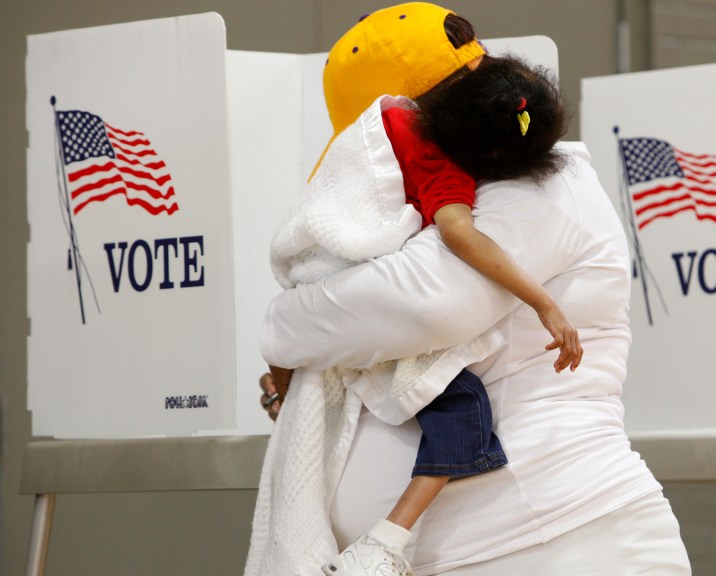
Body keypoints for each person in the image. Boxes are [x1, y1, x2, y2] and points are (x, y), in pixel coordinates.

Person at [257, 3, 692, 575]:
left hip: (557, 538)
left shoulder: (546, 183)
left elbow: (422, 303)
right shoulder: (442, 204)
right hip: (482, 552)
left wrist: (282, 326)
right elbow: (357, 320)